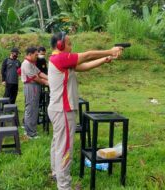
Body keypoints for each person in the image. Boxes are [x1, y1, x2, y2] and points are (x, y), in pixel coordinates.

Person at [48, 32, 123, 190]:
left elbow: (84, 66)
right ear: (60, 45)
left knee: (58, 145)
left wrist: (105, 59)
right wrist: (111, 50)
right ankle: (64, 186)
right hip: (63, 110)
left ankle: (56, 174)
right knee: (65, 149)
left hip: (58, 109)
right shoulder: (60, 58)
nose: (71, 46)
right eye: (68, 44)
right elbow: (87, 55)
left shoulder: (60, 60)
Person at [21, 47, 48, 139]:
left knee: (33, 108)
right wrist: (46, 82)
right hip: (31, 87)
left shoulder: (31, 64)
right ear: (30, 54)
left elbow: (39, 73)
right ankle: (30, 133)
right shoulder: (26, 64)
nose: (37, 56)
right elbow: (35, 78)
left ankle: (30, 130)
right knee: (31, 109)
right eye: (36, 54)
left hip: (34, 87)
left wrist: (49, 78)